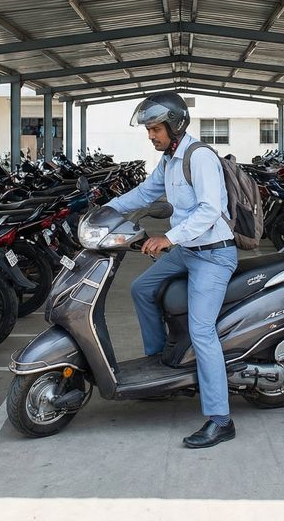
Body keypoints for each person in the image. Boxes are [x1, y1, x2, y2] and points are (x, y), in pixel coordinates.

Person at [105, 92, 239, 449]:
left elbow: (210, 211)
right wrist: (104, 211)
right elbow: (144, 193)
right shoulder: (169, 161)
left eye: (155, 129)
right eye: (149, 130)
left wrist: (169, 238)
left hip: (212, 254)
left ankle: (220, 419)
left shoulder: (201, 158)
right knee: (141, 289)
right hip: (189, 250)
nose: (151, 135)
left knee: (201, 330)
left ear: (175, 125)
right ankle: (161, 365)